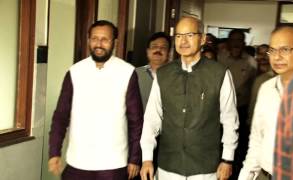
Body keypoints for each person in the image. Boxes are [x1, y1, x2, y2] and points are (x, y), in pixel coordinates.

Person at [140, 16, 239, 180]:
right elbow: (152, 118)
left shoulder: (219, 73)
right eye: (178, 36)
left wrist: (227, 159)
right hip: (168, 166)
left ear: (202, 39)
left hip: (205, 168)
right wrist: (147, 158)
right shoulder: (164, 74)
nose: (183, 41)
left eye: (189, 35)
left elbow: (230, 120)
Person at [48, 20, 143, 180]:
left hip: (113, 164)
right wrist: (54, 152)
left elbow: (136, 121)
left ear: (114, 42)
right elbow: (60, 116)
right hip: (78, 162)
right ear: (88, 41)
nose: (99, 44)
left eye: (105, 39)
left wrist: (134, 158)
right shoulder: (75, 72)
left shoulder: (127, 72)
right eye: (94, 38)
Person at [239, 26, 293, 180]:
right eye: (272, 50)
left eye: (285, 49)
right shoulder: (266, 88)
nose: (277, 57)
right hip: (265, 175)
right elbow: (256, 140)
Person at [217, 29, 257, 179]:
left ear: (244, 43)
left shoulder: (251, 63)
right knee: (220, 144)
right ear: (228, 42)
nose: (236, 43)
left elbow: (254, 87)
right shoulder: (220, 59)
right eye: (232, 40)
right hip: (219, 110)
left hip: (241, 110)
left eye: (239, 40)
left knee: (238, 149)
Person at [136, 32, 171, 111]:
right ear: (148, 51)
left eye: (163, 47)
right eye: (154, 46)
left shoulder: (175, 76)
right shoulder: (135, 74)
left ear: (168, 53)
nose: (158, 50)